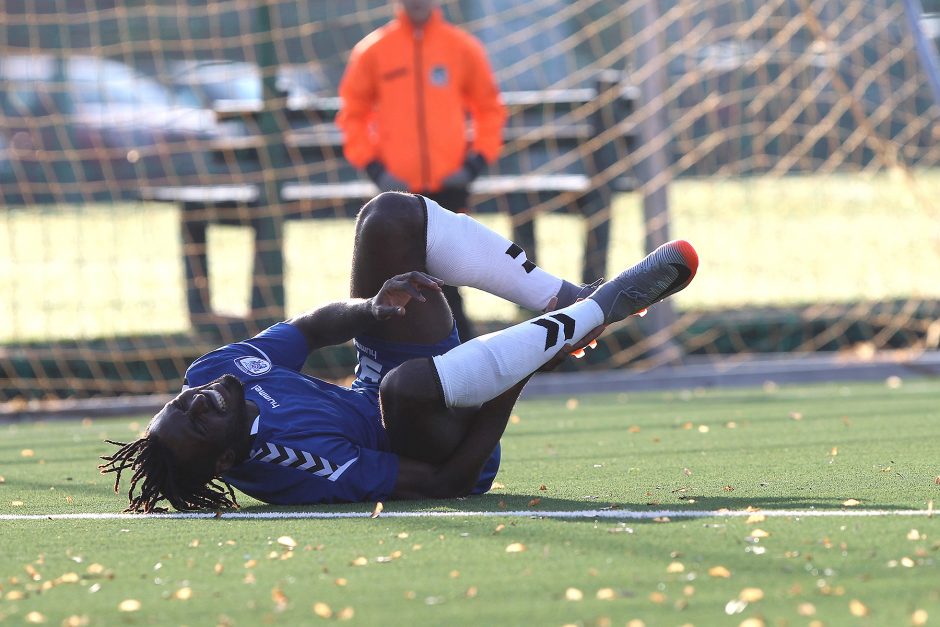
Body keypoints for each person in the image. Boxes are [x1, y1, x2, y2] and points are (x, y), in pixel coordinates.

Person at [99, 192, 697, 513]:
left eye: (179, 404)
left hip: (379, 382)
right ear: (227, 458)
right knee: (403, 389)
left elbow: (311, 328)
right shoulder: (290, 468)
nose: (196, 401)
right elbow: (446, 481)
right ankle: (588, 317)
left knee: (386, 218)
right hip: (446, 441)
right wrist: (518, 374)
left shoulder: (214, 372)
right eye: (199, 421)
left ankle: (561, 300)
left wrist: (373, 311)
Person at [336, 0, 507, 342]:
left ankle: (460, 358)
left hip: (449, 186)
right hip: (398, 194)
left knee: (449, 279)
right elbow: (352, 115)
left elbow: (490, 109)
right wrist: (375, 168)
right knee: (397, 277)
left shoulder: (461, 47)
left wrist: (474, 163)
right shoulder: (373, 51)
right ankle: (396, 360)